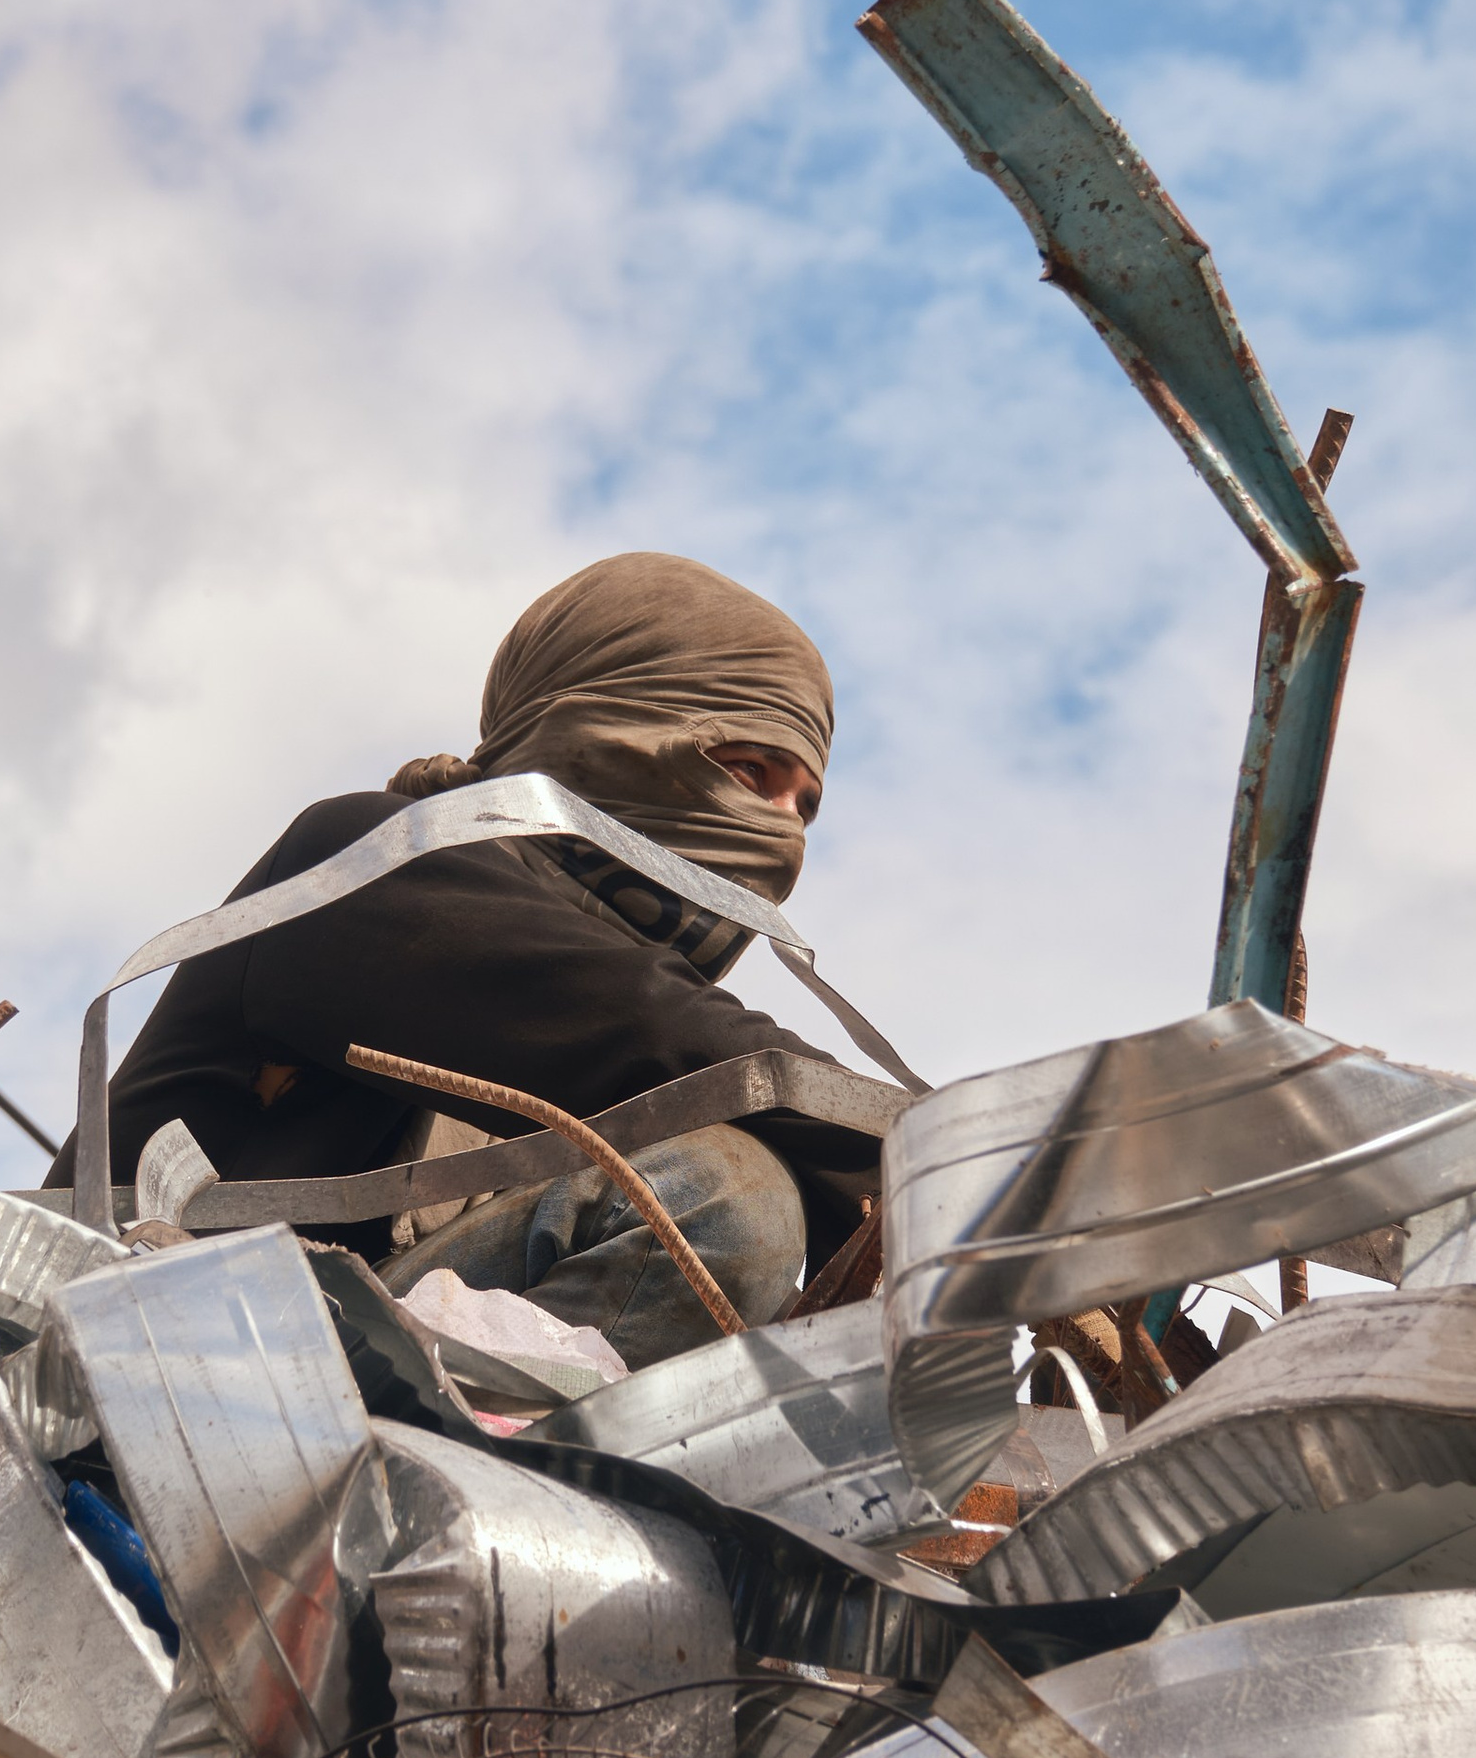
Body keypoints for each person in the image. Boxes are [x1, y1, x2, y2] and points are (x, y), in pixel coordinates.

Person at [65, 552, 883, 1366]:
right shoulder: (356, 864)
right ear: (611, 728)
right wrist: (935, 1165)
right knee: (725, 1195)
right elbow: (655, 1031)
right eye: (749, 771)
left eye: (803, 806)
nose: (785, 834)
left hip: (381, 1371)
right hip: (177, 1363)